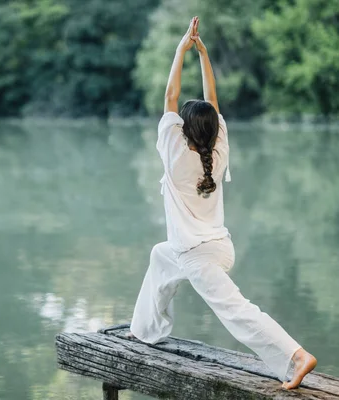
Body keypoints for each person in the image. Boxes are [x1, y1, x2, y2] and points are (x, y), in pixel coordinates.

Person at [126, 16, 317, 389]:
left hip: (199, 258)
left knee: (236, 311)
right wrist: (204, 55)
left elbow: (169, 97)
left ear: (182, 131)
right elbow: (212, 101)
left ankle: (296, 355)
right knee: (160, 256)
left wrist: (182, 49)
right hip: (216, 247)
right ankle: (145, 329)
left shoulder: (175, 154)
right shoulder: (220, 147)